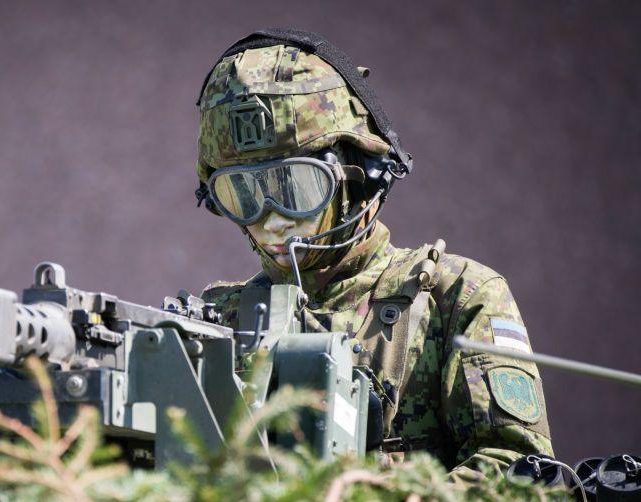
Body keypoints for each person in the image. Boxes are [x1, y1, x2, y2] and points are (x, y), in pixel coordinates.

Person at [194, 29, 553, 478]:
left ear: (359, 178)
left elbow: (519, 474)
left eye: (297, 187)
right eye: (241, 193)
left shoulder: (456, 298)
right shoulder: (213, 323)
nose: (271, 219)